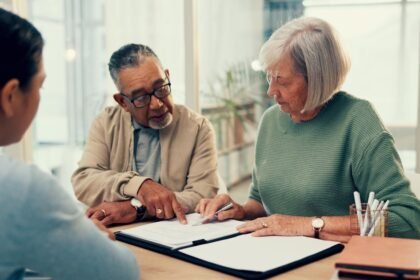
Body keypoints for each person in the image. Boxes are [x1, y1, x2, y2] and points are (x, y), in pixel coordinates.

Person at [196, 16, 420, 241]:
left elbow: (408, 220)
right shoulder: (271, 120)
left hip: (334, 263)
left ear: (317, 79)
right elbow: (261, 201)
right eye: (269, 77)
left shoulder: (358, 120)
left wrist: (308, 225)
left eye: (282, 81)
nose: (270, 91)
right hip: (272, 257)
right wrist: (241, 210)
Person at [0, 8, 139, 280]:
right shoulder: (20, 187)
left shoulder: (194, 124)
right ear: (10, 96)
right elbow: (120, 274)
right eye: (40, 86)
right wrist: (85, 240)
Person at [72, 44, 218, 226]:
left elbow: (201, 195)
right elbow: (84, 180)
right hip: (118, 231)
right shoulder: (105, 123)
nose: (157, 104)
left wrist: (136, 209)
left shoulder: (198, 127)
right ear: (122, 102)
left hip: (176, 232)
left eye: (161, 88)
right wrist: (139, 185)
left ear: (168, 76)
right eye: (141, 97)